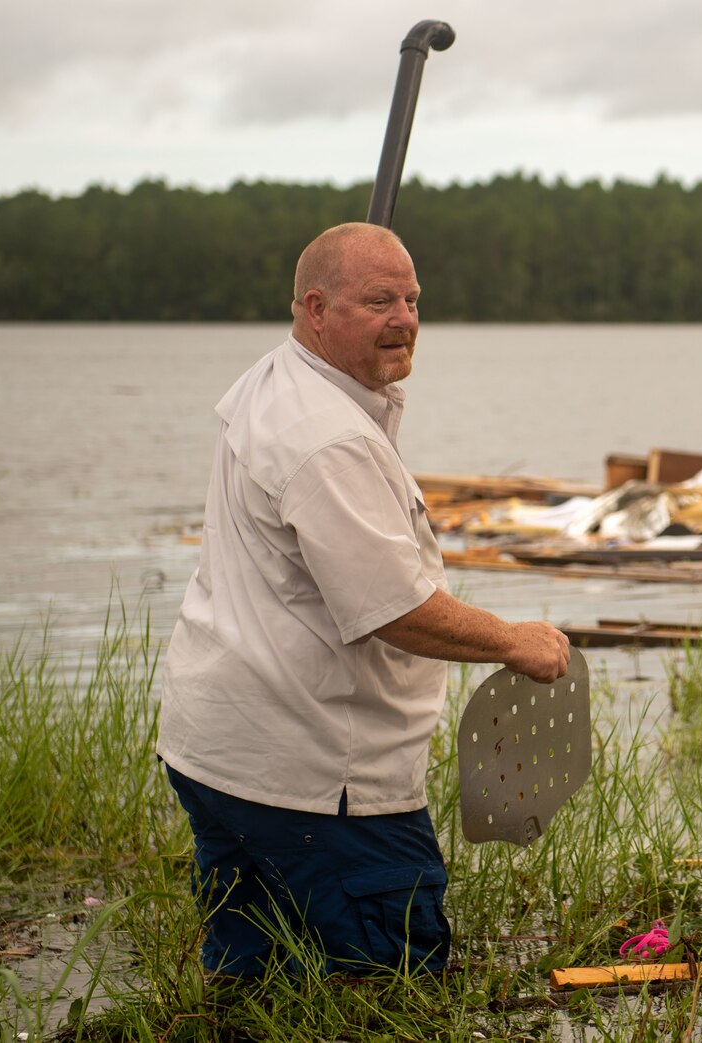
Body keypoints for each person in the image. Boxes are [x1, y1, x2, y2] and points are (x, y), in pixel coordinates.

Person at [157, 222, 570, 978]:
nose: (405, 318)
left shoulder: (277, 379)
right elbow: (396, 609)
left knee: (258, 984)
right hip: (313, 775)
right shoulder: (327, 439)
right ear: (316, 309)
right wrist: (514, 639)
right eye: (380, 300)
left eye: (412, 299)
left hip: (220, 751)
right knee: (391, 984)